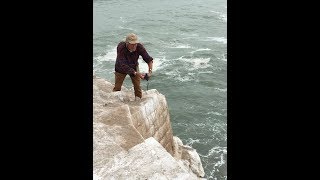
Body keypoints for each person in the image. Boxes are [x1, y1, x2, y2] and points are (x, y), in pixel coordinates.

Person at [113, 33, 153, 99]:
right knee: (117, 87)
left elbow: (149, 59)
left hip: (134, 65)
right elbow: (122, 64)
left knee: (137, 86)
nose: (134, 46)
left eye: (136, 44)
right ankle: (114, 100)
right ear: (127, 43)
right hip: (121, 68)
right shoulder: (121, 47)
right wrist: (136, 73)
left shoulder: (139, 47)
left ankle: (138, 100)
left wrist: (150, 71)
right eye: (132, 44)